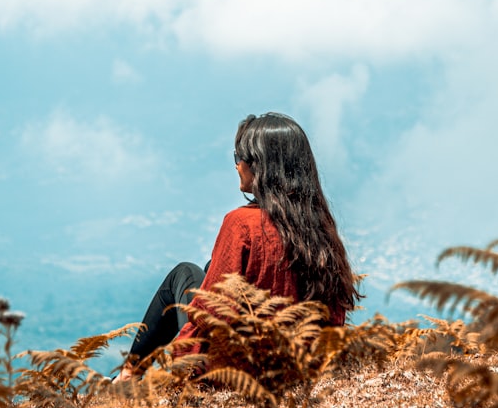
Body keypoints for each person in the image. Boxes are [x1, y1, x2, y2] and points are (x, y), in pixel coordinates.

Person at [116, 112, 360, 381]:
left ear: (260, 165)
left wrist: (182, 358)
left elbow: (208, 313)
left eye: (239, 157)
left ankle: (128, 375)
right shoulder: (318, 227)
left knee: (185, 273)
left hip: (236, 370)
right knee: (210, 269)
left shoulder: (242, 223)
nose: (236, 165)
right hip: (302, 365)